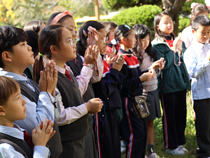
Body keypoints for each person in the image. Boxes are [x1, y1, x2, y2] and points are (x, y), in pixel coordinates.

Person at [0, 26, 60, 157]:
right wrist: (46, 93)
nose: (29, 47)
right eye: (23, 44)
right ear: (7, 56)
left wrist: (50, 92)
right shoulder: (7, 90)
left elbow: (55, 116)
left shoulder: (27, 81)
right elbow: (40, 127)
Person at [33, 24, 103, 158]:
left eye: (73, 39)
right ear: (54, 49)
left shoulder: (65, 69)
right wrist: (87, 107)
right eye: (68, 41)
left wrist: (87, 65)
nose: (74, 44)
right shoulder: (50, 77)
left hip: (78, 135)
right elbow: (60, 116)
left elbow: (76, 90)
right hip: (68, 142)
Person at [0, 75, 55, 158]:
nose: (24, 101)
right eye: (18, 98)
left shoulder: (18, 131)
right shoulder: (5, 148)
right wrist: (40, 146)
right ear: (1, 111)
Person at [111, 24, 155, 158]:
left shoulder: (132, 55)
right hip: (128, 101)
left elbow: (135, 75)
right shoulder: (120, 59)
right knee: (133, 135)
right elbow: (123, 84)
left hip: (137, 100)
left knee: (141, 133)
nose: (135, 39)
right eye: (132, 36)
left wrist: (150, 69)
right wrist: (141, 79)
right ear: (123, 40)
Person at [152, 12, 191, 155]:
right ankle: (171, 145)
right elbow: (164, 65)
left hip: (180, 83)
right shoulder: (156, 45)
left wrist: (180, 49)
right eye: (165, 22)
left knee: (181, 114)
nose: (169, 25)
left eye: (171, 22)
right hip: (167, 85)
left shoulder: (177, 40)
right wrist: (174, 49)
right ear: (157, 26)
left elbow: (184, 59)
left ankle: (180, 142)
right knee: (170, 117)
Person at [89, 21, 124, 158]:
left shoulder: (103, 58)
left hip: (111, 111)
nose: (106, 42)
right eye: (103, 38)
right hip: (101, 113)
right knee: (106, 150)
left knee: (114, 146)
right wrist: (115, 71)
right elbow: (103, 91)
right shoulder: (91, 61)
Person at [133, 24, 163, 158]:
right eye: (141, 40)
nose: (144, 43)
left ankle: (151, 151)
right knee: (142, 124)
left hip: (153, 90)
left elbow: (153, 71)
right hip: (142, 94)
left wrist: (159, 66)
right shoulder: (133, 55)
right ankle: (141, 151)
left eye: (147, 40)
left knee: (150, 122)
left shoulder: (151, 51)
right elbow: (137, 75)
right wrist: (152, 67)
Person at [184, 15, 210, 158]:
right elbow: (193, 72)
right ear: (193, 32)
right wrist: (206, 60)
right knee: (203, 126)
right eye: (202, 32)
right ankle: (204, 152)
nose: (206, 35)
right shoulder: (190, 52)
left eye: (208, 32)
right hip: (201, 93)